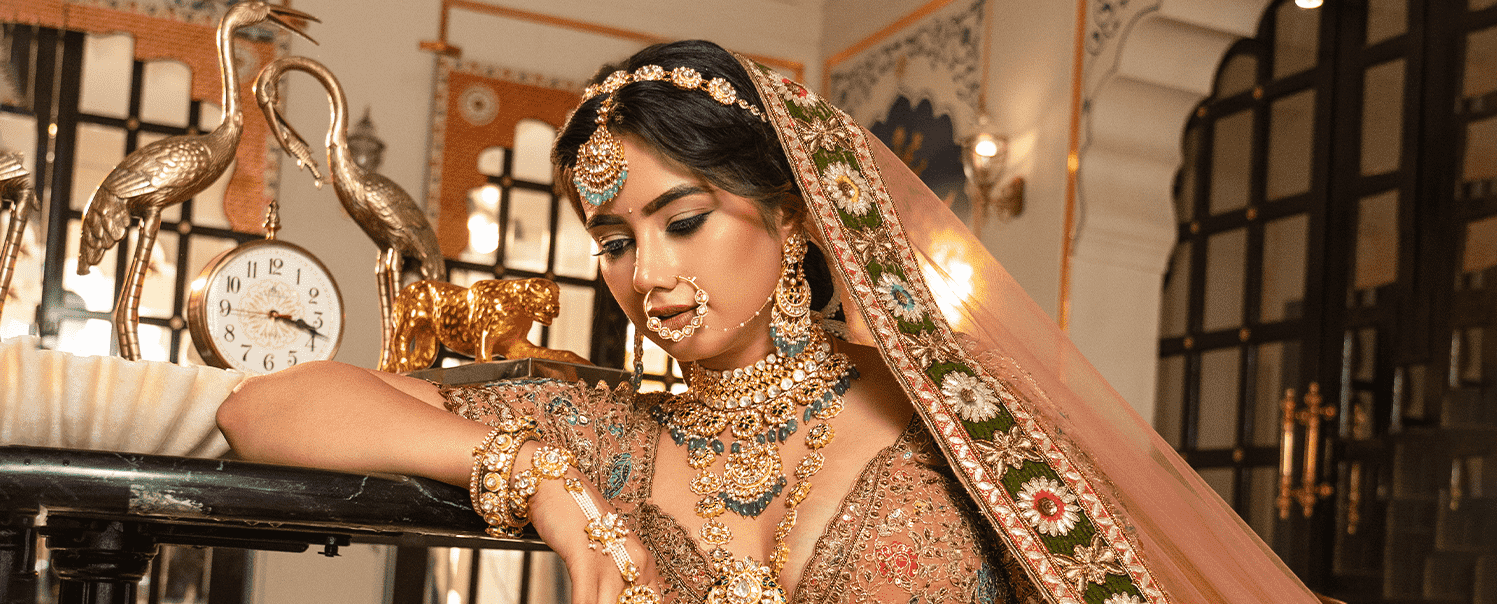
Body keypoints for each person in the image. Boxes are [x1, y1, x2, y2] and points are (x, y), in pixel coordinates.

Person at [217, 40, 1322, 604]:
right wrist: (537, 476)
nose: (646, 272)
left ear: (792, 217)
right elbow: (265, 404)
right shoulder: (612, 437)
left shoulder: (958, 422)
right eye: (612, 241)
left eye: (683, 219)